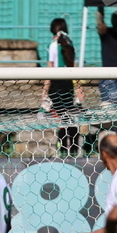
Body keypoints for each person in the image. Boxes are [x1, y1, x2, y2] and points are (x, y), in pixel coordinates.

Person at [41, 18, 79, 156]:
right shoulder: (70, 43)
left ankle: (63, 151)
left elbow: (49, 71)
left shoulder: (52, 45)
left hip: (56, 85)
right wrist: (79, 88)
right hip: (68, 84)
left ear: (52, 30)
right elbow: (75, 68)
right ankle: (74, 151)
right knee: (71, 118)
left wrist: (44, 93)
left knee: (61, 119)